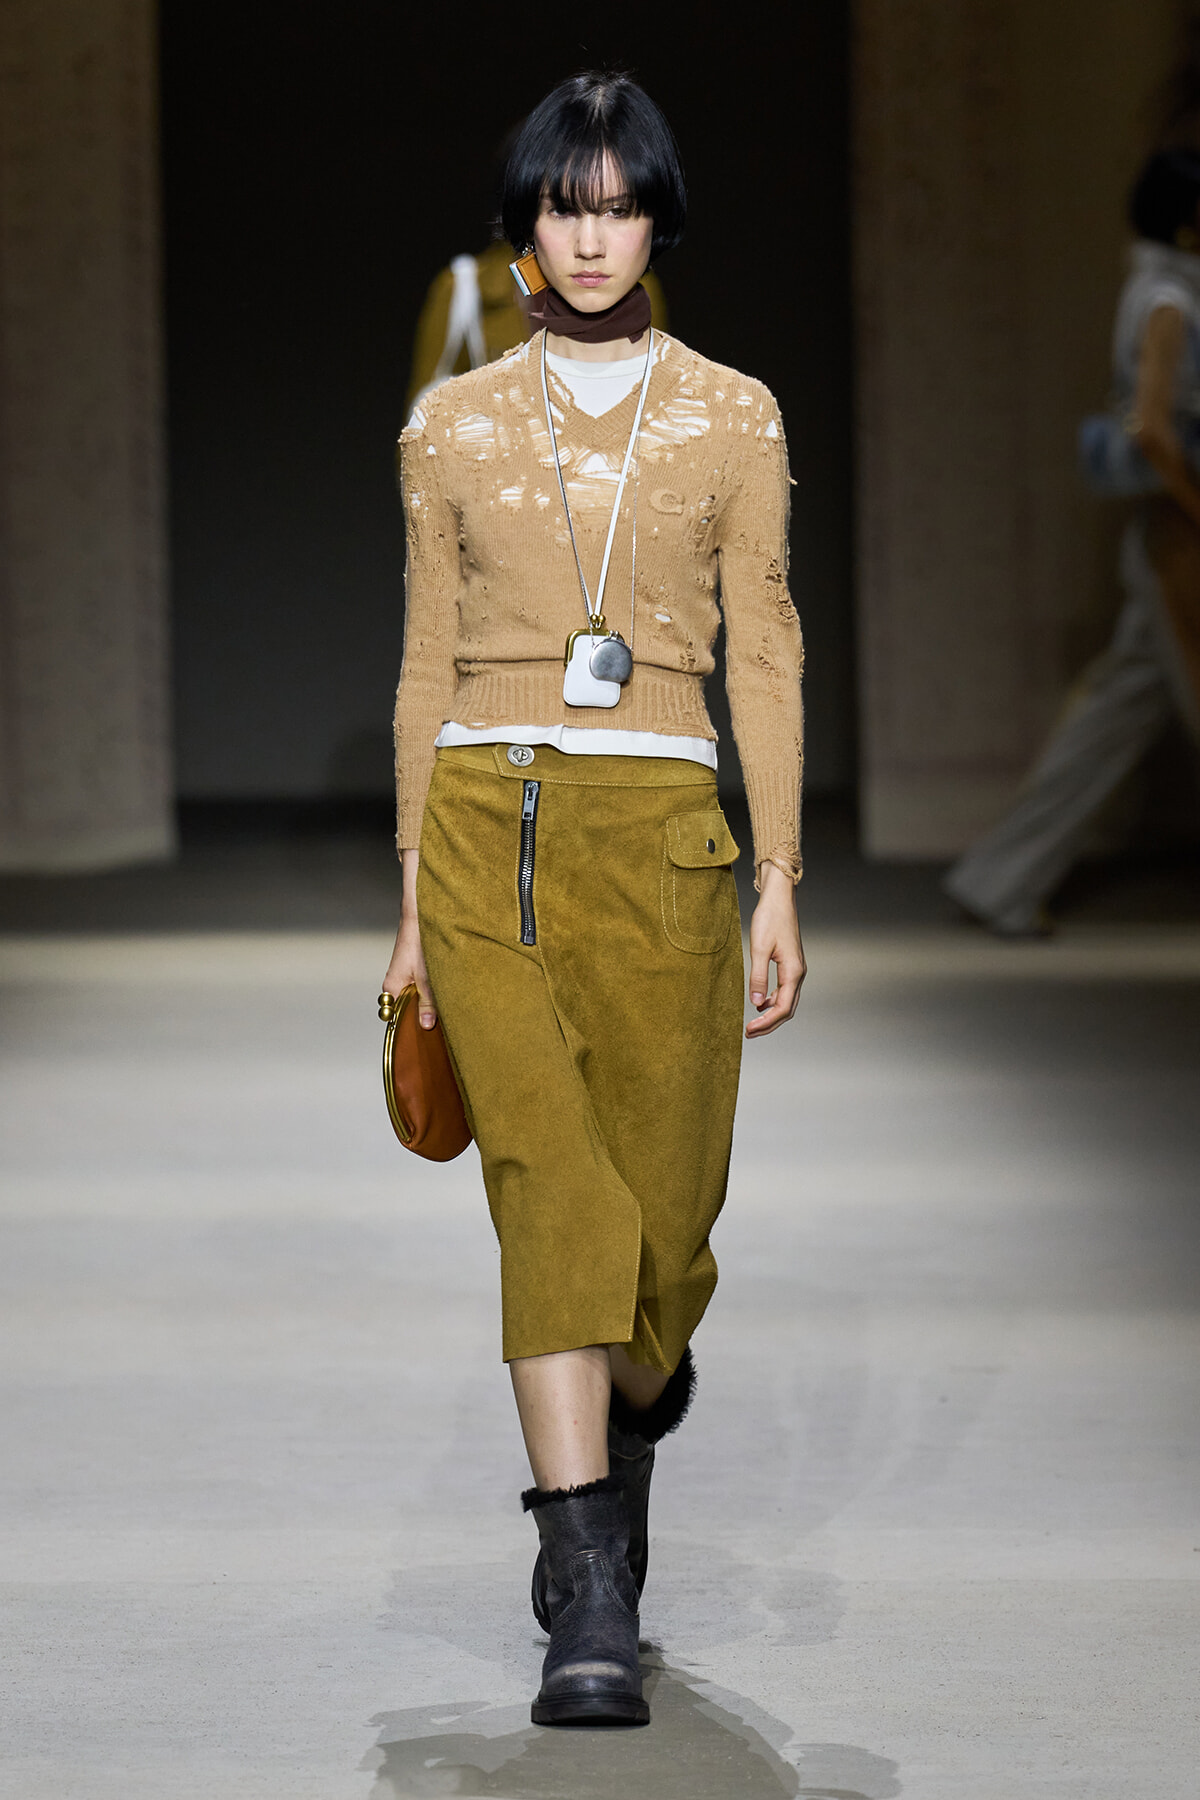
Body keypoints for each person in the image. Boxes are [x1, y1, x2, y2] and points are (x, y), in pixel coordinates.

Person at [382, 72, 805, 1727]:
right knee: (551, 1195)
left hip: (670, 845)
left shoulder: (730, 415)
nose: (591, 233)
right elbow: (424, 663)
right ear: (528, 224)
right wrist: (412, 897)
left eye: (621, 205)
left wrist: (778, 877)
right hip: (489, 822)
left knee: (667, 1239)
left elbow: (761, 647)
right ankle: (587, 1586)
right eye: (567, 204)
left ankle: (642, 1394)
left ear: (657, 222)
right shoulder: (455, 423)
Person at [944, 149, 1200, 936]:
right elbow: (1154, 429)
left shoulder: (1161, 291)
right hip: (1177, 538)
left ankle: (1001, 880)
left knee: (1114, 714)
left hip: (1166, 536)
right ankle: (1001, 880)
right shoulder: (1171, 302)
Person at [406, 236, 669, 413]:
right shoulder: (466, 288)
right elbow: (421, 421)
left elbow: (653, 410)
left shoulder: (635, 290)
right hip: (499, 482)